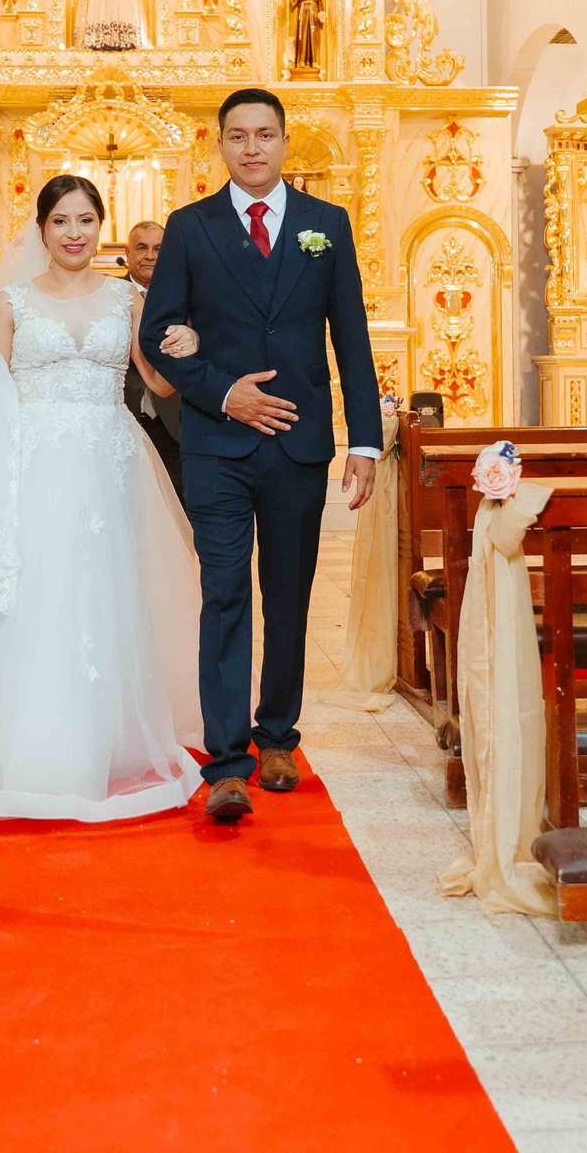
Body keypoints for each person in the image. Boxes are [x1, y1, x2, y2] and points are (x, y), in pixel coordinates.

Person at [0, 176, 205, 822]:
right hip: (35, 464)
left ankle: (106, 739)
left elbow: (160, 380)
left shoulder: (127, 300)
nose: (75, 232)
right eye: (62, 221)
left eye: (86, 219)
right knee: (40, 596)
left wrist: (187, 345)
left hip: (110, 464)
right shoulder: (12, 300)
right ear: (43, 228)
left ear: (100, 225)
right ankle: (33, 744)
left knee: (106, 593)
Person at [140, 86, 383, 824]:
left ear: (285, 142)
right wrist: (222, 392)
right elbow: (157, 332)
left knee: (288, 593)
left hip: (300, 442)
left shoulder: (326, 225)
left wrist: (364, 439)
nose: (252, 147)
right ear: (219, 144)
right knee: (223, 591)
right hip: (217, 443)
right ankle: (227, 761)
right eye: (238, 135)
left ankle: (278, 736)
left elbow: (352, 338)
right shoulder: (190, 227)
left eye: (266, 134)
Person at [121, 220, 186, 499]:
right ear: (127, 252)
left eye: (158, 248)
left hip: (175, 423)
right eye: (142, 248)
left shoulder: (187, 294)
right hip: (123, 419)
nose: (150, 255)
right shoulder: (107, 294)